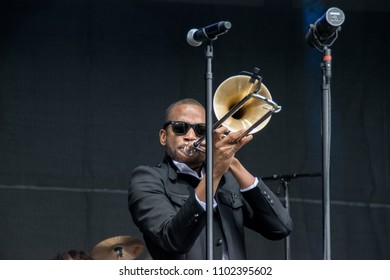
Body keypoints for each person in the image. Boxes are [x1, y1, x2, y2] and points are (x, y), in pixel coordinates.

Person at [128, 98, 292, 260]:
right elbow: (173, 241)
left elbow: (280, 228)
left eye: (201, 130)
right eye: (180, 128)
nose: (191, 136)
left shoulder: (228, 179)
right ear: (163, 137)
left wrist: (232, 162)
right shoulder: (147, 178)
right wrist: (214, 173)